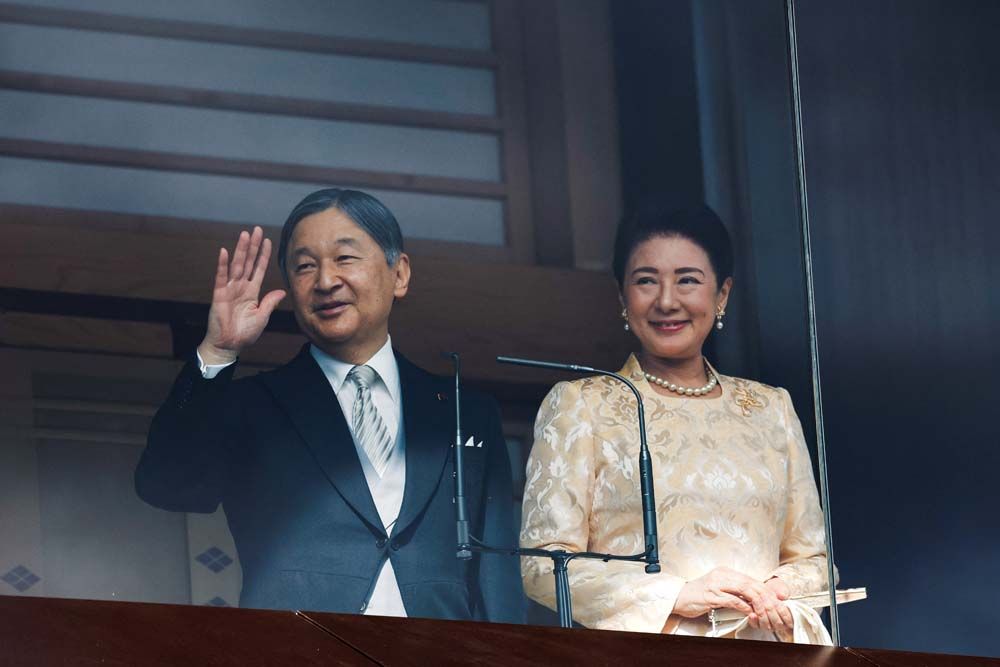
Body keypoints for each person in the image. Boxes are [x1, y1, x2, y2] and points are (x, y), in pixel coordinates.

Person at [136, 188, 523, 623]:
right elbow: (167, 486)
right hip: (298, 647)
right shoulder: (254, 404)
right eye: (304, 266)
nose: (325, 281)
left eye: (345, 258)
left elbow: (497, 574)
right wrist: (218, 350)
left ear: (399, 274)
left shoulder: (465, 411)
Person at [519, 203, 834, 641]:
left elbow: (814, 561)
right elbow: (542, 564)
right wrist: (676, 595)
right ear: (622, 296)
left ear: (722, 294)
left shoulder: (770, 408)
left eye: (688, 280)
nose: (667, 301)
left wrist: (776, 591)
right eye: (646, 281)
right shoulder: (582, 405)